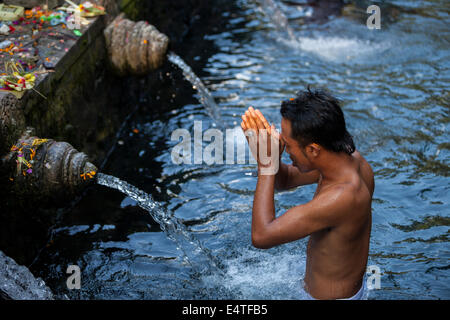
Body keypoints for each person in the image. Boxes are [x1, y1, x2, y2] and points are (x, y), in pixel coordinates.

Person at [240, 87, 374, 300]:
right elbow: (285, 180)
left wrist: (266, 163)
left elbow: (261, 236)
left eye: (287, 144)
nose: (283, 146)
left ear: (313, 150)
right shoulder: (345, 161)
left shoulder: (343, 197)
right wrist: (262, 150)